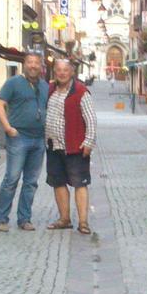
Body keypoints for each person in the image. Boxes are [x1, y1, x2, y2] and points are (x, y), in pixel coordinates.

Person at [0, 52, 50, 232]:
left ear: (41, 66)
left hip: (38, 138)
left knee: (31, 182)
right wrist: (8, 128)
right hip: (19, 137)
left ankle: (24, 219)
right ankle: (2, 218)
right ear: (24, 65)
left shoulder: (45, 86)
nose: (33, 66)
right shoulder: (13, 83)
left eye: (36, 63)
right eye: (30, 62)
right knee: (12, 179)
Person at [44, 59, 97, 235]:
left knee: (79, 183)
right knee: (57, 183)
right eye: (58, 70)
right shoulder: (51, 90)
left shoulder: (81, 92)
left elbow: (91, 119)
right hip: (53, 145)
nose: (62, 73)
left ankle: (83, 222)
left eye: (65, 70)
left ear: (72, 72)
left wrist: (89, 142)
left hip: (75, 146)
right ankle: (64, 219)